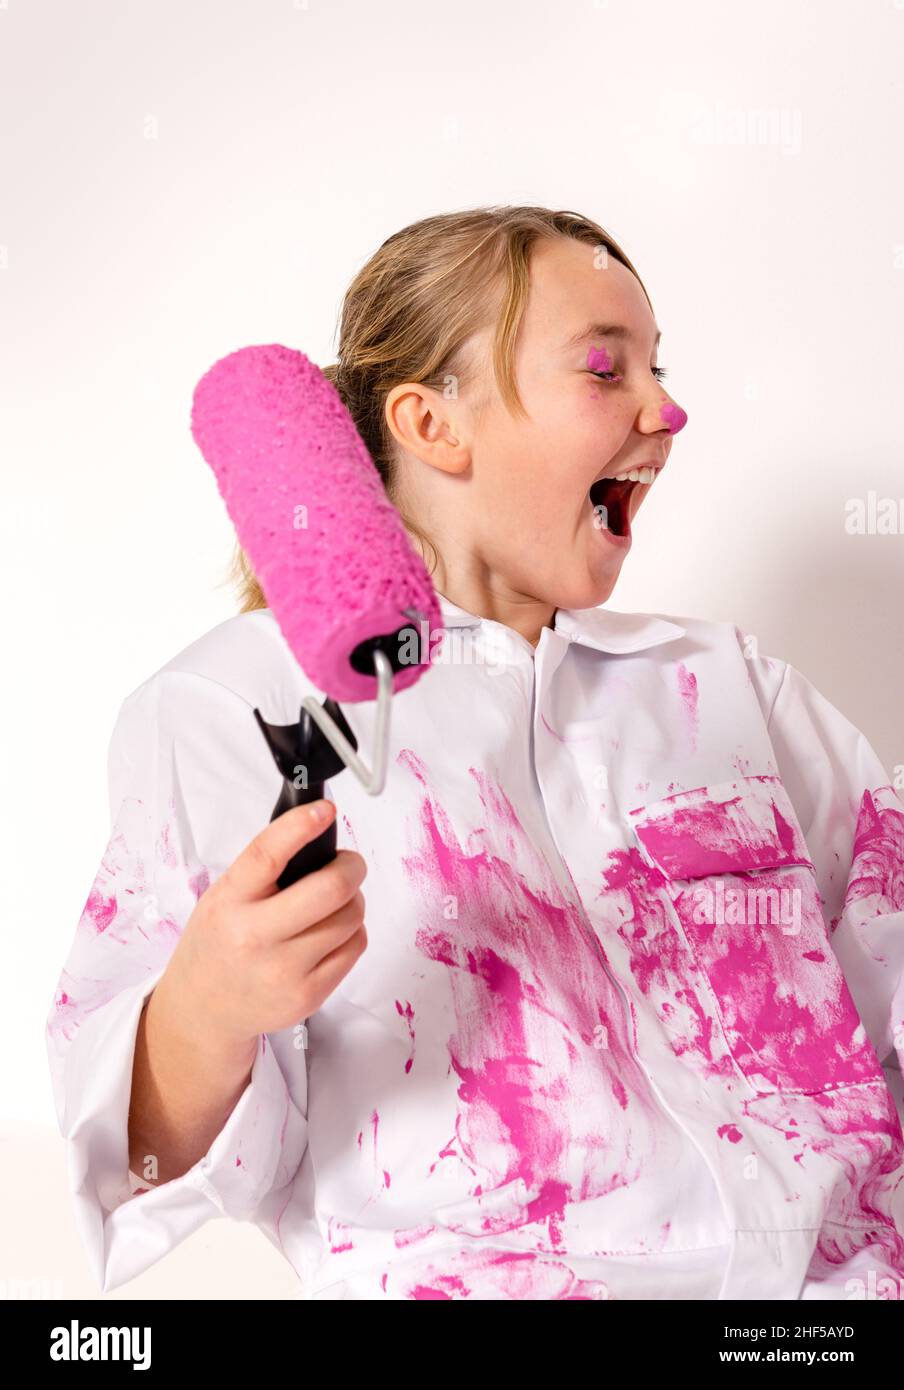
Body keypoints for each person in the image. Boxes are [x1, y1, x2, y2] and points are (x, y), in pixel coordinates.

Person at [46, 205, 904, 1300]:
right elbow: (143, 1168)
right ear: (431, 425)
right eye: (606, 370)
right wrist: (210, 1005)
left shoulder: (729, 688)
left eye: (659, 366)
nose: (668, 408)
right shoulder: (236, 710)